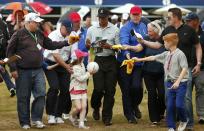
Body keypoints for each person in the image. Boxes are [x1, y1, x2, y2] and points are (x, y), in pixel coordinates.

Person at [138, 8, 202, 130]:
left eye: (169, 17)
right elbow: (158, 45)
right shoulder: (167, 30)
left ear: (176, 17)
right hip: (170, 69)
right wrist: (143, 41)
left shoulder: (189, 30)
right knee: (169, 97)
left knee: (187, 98)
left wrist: (198, 63)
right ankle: (172, 124)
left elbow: (198, 47)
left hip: (185, 68)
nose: (167, 19)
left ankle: (188, 124)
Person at [6, 12, 71, 129]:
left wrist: (66, 42)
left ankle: (37, 119)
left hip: (38, 69)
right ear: (29, 22)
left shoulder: (39, 33)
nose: (38, 24)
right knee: (23, 97)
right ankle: (25, 122)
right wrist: (13, 69)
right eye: (36, 22)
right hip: (22, 71)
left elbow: (50, 44)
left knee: (41, 94)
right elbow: (10, 52)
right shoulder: (18, 35)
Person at [133, 33, 189, 131]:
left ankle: (184, 120)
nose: (164, 44)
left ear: (170, 43)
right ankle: (171, 127)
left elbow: (184, 68)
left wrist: (178, 82)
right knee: (170, 105)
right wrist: (139, 59)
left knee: (179, 105)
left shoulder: (180, 54)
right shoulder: (166, 54)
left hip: (181, 84)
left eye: (165, 42)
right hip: (169, 83)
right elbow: (152, 57)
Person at [86, 7, 119, 126]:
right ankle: (95, 107)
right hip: (98, 60)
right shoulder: (91, 29)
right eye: (100, 18)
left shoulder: (115, 29)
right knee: (98, 89)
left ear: (108, 17)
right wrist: (88, 45)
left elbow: (119, 48)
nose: (101, 20)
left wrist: (110, 46)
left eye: (104, 18)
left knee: (110, 91)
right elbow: (88, 46)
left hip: (111, 61)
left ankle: (107, 117)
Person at [117, 5, 147, 123]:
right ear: (130, 15)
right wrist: (128, 55)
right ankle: (129, 115)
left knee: (137, 87)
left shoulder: (143, 26)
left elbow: (145, 42)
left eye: (137, 14)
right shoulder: (125, 28)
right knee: (127, 89)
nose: (136, 16)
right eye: (134, 14)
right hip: (126, 62)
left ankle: (135, 105)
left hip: (139, 63)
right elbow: (124, 43)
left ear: (141, 15)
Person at [43, 19, 73, 125]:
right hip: (51, 64)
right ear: (61, 27)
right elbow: (56, 56)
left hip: (64, 65)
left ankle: (58, 114)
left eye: (70, 30)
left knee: (65, 90)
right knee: (54, 87)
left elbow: (73, 52)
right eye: (67, 30)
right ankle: (51, 115)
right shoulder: (53, 35)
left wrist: (73, 63)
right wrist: (67, 67)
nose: (69, 32)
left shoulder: (71, 35)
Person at [142, 20, 166, 125]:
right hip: (148, 72)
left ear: (156, 31)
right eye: (148, 31)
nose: (148, 33)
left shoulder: (164, 40)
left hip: (161, 72)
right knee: (152, 94)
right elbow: (139, 48)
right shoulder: (146, 39)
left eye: (150, 31)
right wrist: (129, 48)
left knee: (162, 94)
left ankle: (160, 113)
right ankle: (154, 118)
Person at [185, 12, 204, 125]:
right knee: (185, 93)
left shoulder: (203, 35)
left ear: (196, 21)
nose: (187, 23)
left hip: (201, 68)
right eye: (186, 21)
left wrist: (200, 63)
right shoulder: (185, 33)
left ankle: (201, 115)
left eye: (189, 21)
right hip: (186, 66)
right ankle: (185, 115)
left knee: (201, 90)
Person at [68, 49, 92, 129]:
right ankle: (71, 116)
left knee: (84, 106)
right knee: (79, 107)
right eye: (82, 57)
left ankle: (81, 124)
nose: (84, 58)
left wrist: (88, 72)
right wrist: (89, 73)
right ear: (79, 58)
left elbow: (84, 76)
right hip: (75, 89)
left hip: (83, 89)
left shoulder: (82, 65)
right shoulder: (74, 68)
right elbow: (81, 79)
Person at [0, 15, 16, 97]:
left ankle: (12, 87)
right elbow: (8, 38)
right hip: (5, 52)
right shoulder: (4, 24)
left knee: (3, 71)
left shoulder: (4, 24)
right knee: (4, 71)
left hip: (4, 53)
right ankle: (12, 87)